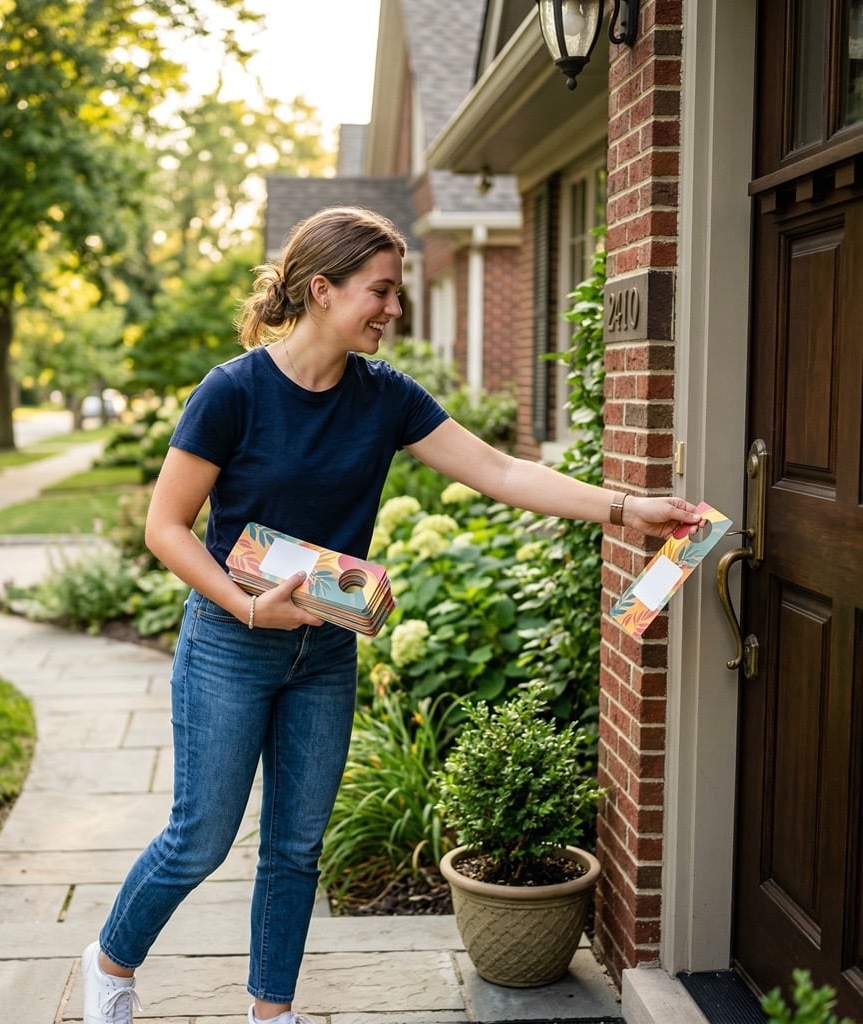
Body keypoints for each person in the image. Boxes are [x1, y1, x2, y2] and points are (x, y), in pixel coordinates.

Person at [81, 205, 704, 1024]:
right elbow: (167, 526)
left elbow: (500, 471)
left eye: (396, 292)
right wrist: (247, 608)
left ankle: (272, 1013)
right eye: (380, 291)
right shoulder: (232, 392)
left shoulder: (385, 398)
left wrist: (630, 509)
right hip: (231, 644)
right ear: (322, 289)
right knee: (199, 839)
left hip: (324, 650)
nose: (394, 309)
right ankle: (110, 965)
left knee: (295, 848)